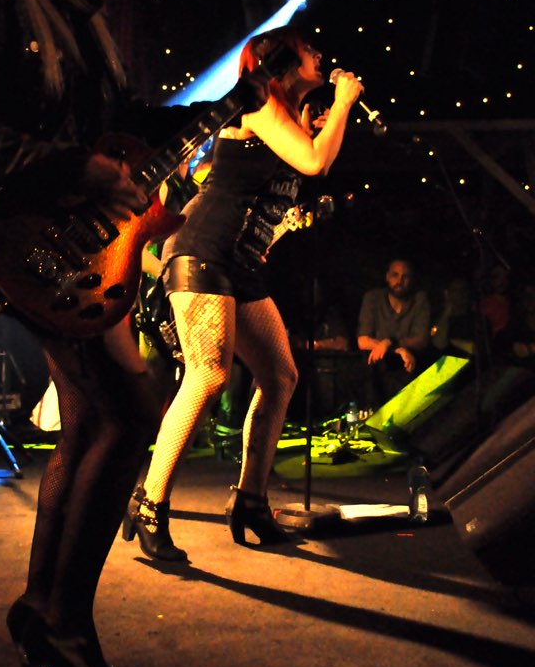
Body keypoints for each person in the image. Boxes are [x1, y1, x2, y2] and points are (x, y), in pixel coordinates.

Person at [0, 0, 267, 667]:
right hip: (32, 239)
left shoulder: (75, 12)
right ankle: (60, 623)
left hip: (79, 246)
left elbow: (122, 118)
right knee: (126, 415)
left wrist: (227, 107)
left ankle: (46, 616)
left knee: (95, 421)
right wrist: (78, 169)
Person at [123, 27, 363, 561]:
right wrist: (345, 103)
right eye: (307, 48)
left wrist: (327, 119)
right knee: (208, 376)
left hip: (241, 262)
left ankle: (250, 502)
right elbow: (315, 163)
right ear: (281, 62)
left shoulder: (291, 117)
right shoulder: (259, 106)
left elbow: (317, 157)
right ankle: (149, 503)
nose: (319, 53)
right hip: (204, 250)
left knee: (280, 376)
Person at [357, 258, 431, 407]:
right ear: (387, 276)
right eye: (395, 275)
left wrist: (389, 342)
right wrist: (397, 349)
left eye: (405, 276)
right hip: (377, 371)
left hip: (409, 368)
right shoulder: (373, 298)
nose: (399, 281)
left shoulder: (420, 299)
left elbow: (422, 340)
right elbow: (362, 341)